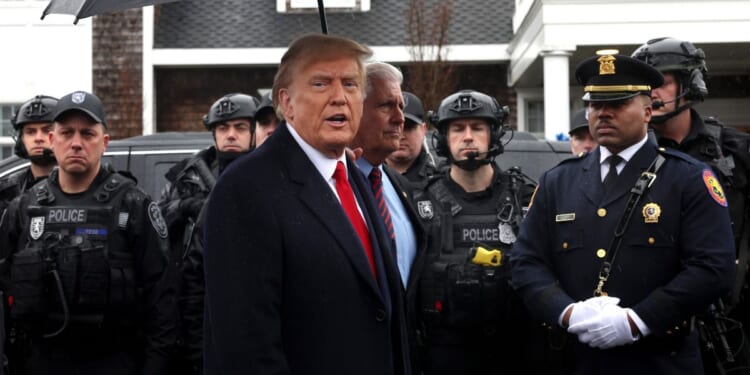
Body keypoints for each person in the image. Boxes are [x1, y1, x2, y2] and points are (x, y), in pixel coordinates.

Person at [511, 53, 736, 374]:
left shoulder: (686, 178)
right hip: (578, 359)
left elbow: (713, 268)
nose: (602, 113)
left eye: (617, 104)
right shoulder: (558, 181)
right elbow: (525, 262)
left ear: (648, 111)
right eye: (595, 104)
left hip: (660, 359)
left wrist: (639, 320)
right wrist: (566, 312)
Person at [202, 34, 410, 375]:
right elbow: (247, 347)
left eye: (351, 84)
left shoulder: (356, 176)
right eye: (320, 83)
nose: (339, 97)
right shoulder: (246, 189)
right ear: (287, 102)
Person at [0, 90, 175, 375]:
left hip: (114, 361)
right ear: (53, 141)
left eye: (88, 134)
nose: (77, 143)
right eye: (67, 133)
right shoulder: (25, 207)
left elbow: (163, 299)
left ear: (104, 142)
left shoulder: (133, 205)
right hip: (39, 361)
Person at [632, 37, 750, 372]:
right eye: (645, 83)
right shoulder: (628, 157)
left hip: (733, 313)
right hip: (655, 314)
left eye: (663, 82)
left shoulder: (734, 149)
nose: (652, 92)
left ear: (690, 82)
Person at [413, 89, 535, 375]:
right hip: (444, 354)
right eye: (457, 129)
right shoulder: (419, 203)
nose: (468, 136)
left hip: (515, 352)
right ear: (443, 138)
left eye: (477, 127)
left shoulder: (526, 199)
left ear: (494, 134)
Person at [158, 93, 257, 374]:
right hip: (195, 296)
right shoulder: (187, 177)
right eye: (223, 128)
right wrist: (186, 208)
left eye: (239, 128)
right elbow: (157, 223)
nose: (231, 135)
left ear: (252, 132)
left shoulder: (266, 173)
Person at [350, 62, 427, 372]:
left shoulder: (398, 185)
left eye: (401, 106)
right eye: (386, 106)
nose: (398, 118)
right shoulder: (328, 190)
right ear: (353, 111)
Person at [0, 95, 58, 214]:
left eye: (47, 130)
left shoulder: (81, 184)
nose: (38, 138)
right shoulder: (7, 191)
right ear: (21, 139)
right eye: (30, 132)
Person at [385, 92, 441, 188]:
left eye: (408, 128)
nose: (400, 135)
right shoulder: (363, 175)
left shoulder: (442, 176)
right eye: (393, 126)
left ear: (423, 130)